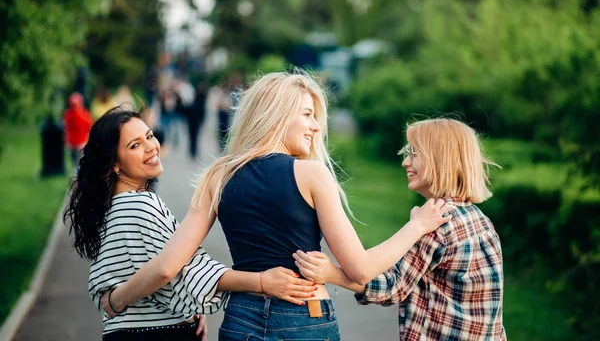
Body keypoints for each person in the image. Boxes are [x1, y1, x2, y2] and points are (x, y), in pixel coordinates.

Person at [99, 72, 451, 341]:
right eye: (308, 114)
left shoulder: (218, 175)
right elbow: (360, 270)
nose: (316, 126)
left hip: (240, 319)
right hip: (305, 316)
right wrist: (417, 226)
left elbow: (165, 267)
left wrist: (116, 300)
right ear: (277, 114)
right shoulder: (311, 174)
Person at [63, 106, 316, 340]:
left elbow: (152, 281)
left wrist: (188, 311)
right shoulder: (140, 205)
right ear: (115, 163)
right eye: (135, 145)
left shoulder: (113, 208)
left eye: (150, 136)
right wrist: (262, 281)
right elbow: (178, 269)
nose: (151, 147)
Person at [294, 118, 506, 340]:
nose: (405, 162)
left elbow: (393, 286)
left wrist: (332, 274)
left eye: (414, 153)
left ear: (440, 159)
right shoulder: (480, 220)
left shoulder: (437, 222)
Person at [63, 92, 93, 167]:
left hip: (80, 142)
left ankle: (77, 175)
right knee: (76, 161)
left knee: (78, 161)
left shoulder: (75, 114)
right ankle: (77, 175)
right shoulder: (79, 114)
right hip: (74, 142)